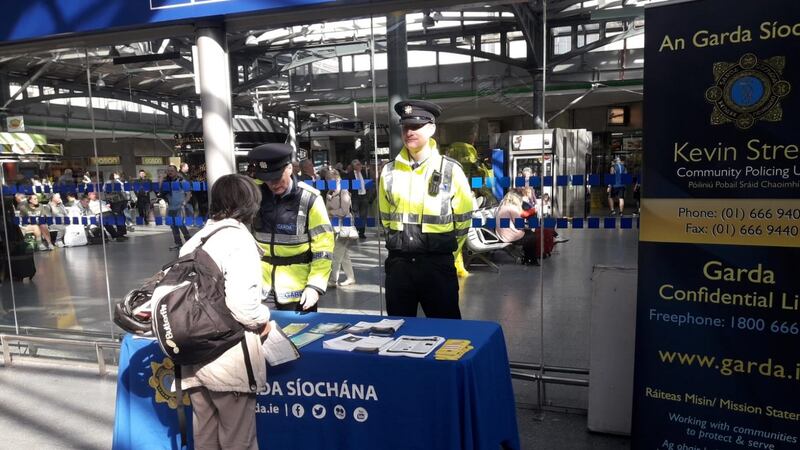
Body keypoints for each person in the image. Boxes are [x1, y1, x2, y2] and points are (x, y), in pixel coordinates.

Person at [178, 174, 271, 450]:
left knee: (205, 437)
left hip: (194, 354)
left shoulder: (196, 240)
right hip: (227, 356)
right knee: (238, 441)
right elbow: (243, 307)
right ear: (250, 205)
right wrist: (264, 316)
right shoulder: (239, 241)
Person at [378, 100, 473, 319]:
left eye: (416, 126)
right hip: (399, 265)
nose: (409, 131)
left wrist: (446, 251)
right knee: (398, 329)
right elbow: (385, 218)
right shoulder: (389, 171)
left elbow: (463, 220)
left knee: (447, 332)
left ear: (431, 128)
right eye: (405, 127)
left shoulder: (450, 170)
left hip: (436, 264)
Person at [249, 143, 334, 312]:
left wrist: (315, 286)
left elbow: (323, 247)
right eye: (267, 179)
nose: (273, 184)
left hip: (299, 290)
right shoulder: (254, 195)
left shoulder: (309, 198)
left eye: (277, 177)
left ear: (289, 168)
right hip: (262, 288)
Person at [325, 169, 356, 287]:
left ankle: (333, 280)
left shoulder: (343, 191)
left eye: (329, 180)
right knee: (344, 254)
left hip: (343, 226)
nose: (328, 182)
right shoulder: (332, 191)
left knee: (337, 254)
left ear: (336, 179)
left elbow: (344, 211)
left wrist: (331, 211)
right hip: (336, 226)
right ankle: (350, 277)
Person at [495, 191, 539, 266]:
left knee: (529, 235)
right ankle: (532, 260)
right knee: (533, 237)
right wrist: (526, 227)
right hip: (510, 236)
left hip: (502, 235)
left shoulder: (503, 207)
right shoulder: (512, 208)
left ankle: (527, 258)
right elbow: (520, 225)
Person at [161, 165, 192, 250]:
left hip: (179, 207)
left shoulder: (181, 181)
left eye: (172, 170)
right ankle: (178, 243)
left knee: (181, 224)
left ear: (176, 172)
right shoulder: (166, 182)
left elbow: (188, 193)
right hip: (171, 207)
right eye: (168, 171)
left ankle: (189, 242)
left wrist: (184, 203)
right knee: (173, 225)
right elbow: (162, 193)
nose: (170, 172)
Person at [347, 159, 375, 239]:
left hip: (364, 196)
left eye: (360, 164)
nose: (360, 166)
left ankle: (362, 232)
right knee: (356, 214)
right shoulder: (350, 175)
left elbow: (367, 183)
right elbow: (348, 186)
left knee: (363, 215)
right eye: (358, 164)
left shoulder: (364, 173)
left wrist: (369, 194)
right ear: (354, 166)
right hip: (355, 197)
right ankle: (357, 228)